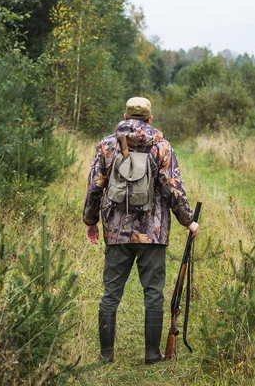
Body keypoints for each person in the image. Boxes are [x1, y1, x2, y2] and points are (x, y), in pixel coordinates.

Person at [82, 97, 199, 364]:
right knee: (154, 294)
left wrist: (91, 222)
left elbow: (94, 187)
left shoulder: (107, 145)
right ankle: (151, 354)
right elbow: (173, 189)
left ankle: (106, 356)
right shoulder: (162, 147)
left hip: (116, 232)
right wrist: (188, 220)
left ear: (124, 115)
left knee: (111, 293)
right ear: (150, 118)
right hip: (153, 233)